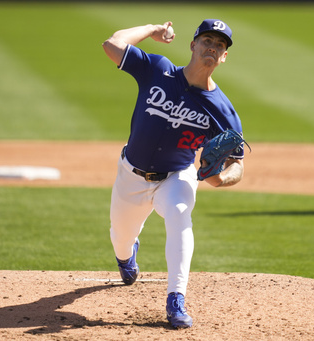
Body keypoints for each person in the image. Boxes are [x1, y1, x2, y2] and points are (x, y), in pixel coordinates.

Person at [102, 19, 245, 329]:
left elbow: (237, 164)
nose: (213, 47)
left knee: (180, 213)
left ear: (223, 57)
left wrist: (221, 179)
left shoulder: (222, 110)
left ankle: (176, 299)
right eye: (207, 40)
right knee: (120, 240)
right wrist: (152, 29)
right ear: (193, 44)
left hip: (176, 176)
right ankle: (127, 257)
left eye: (220, 45)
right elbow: (112, 45)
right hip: (132, 174)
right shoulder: (158, 69)